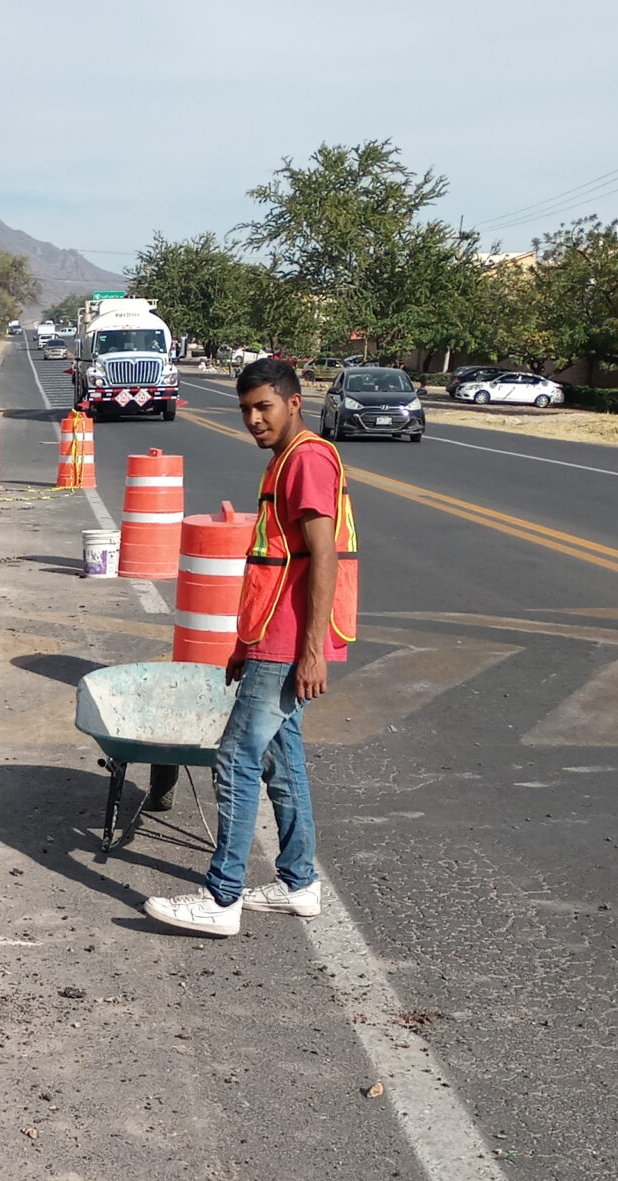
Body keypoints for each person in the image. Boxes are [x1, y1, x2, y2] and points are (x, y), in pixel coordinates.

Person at [144, 356, 357, 938]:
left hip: (291, 640)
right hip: (273, 635)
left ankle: (222, 898)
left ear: (294, 402)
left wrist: (310, 649)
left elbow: (323, 559)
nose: (254, 419)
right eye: (245, 410)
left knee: (236, 757)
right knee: (280, 760)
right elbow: (277, 565)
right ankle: (298, 883)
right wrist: (246, 642)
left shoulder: (308, 459)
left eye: (263, 406)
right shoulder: (285, 460)